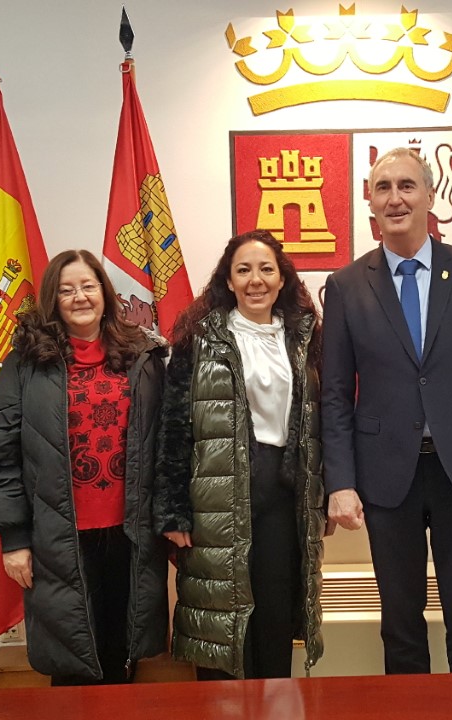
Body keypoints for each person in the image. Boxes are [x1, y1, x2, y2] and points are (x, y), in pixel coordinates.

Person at [321, 147, 452, 674]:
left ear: (431, 196)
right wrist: (340, 482)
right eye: (383, 188)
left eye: (407, 186)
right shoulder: (345, 286)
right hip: (387, 477)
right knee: (402, 629)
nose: (396, 198)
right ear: (370, 203)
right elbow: (336, 395)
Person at [0, 249, 169, 684]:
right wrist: (14, 538)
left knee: (123, 654)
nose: (80, 297)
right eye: (66, 289)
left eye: (88, 286)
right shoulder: (27, 362)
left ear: (105, 293)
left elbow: (169, 442)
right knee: (72, 660)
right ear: (52, 299)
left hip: (131, 533)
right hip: (57, 536)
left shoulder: (143, 356)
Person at [154, 230, 325, 679]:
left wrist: (321, 498)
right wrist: (173, 512)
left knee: (274, 615)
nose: (255, 280)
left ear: (282, 277)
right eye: (243, 270)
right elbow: (174, 426)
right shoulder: (199, 338)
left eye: (266, 269)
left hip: (282, 495)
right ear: (227, 281)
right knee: (221, 626)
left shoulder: (303, 337)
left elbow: (320, 424)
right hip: (215, 494)